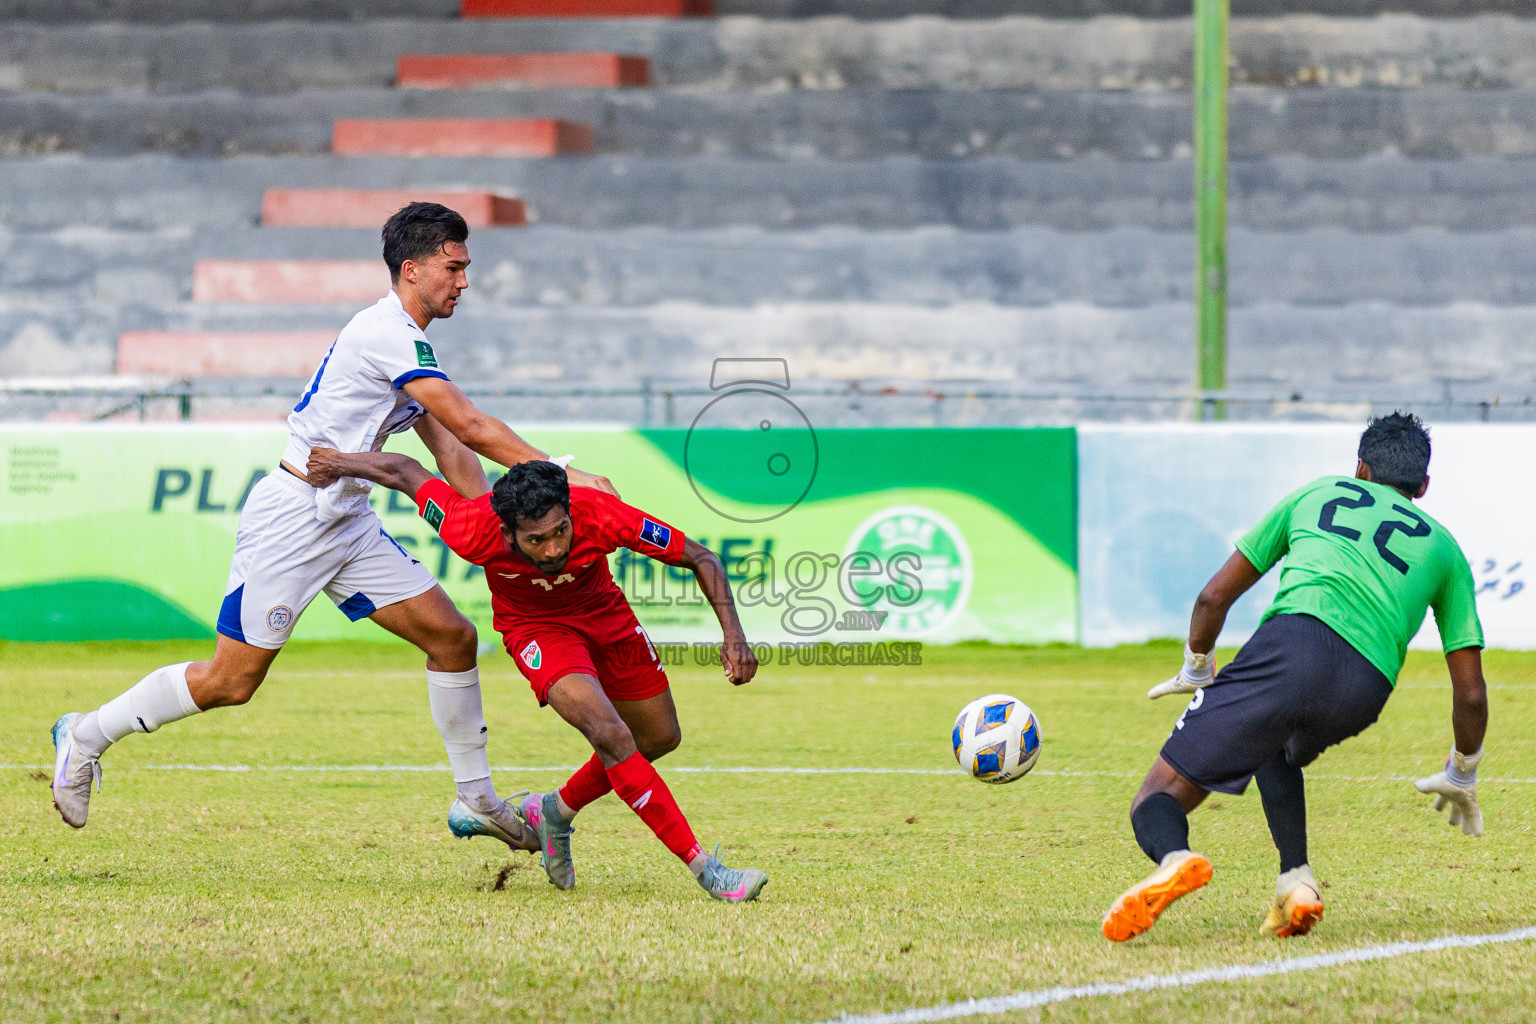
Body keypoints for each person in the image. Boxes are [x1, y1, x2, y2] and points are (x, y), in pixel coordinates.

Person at [50, 202, 612, 858]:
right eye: (453, 267)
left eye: (466, 268)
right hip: (295, 518)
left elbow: (453, 452)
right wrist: (560, 479)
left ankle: (478, 800)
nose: (464, 281)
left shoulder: (412, 344)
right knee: (232, 682)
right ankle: (85, 735)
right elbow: (472, 425)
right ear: (411, 269)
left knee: (453, 639)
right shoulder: (387, 333)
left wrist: (497, 518)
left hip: (348, 519)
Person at [305, 445, 769, 903]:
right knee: (609, 732)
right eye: (535, 540)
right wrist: (336, 463)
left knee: (659, 738)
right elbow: (404, 470)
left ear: (569, 513)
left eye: (560, 532)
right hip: (538, 631)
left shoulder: (602, 514)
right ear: (506, 532)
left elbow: (702, 557)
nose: (553, 549)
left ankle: (554, 810)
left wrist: (734, 636)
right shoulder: (470, 529)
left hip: (608, 618)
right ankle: (707, 870)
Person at [1102, 412, 1488, 942]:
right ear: (1422, 485)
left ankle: (1175, 858)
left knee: (1156, 796)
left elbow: (1214, 596)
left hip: (1291, 647)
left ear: (1360, 468)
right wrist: (1462, 771)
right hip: (1366, 687)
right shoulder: (1445, 550)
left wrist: (1197, 667)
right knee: (1275, 744)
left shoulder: (1318, 493)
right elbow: (1470, 693)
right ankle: (1297, 881)